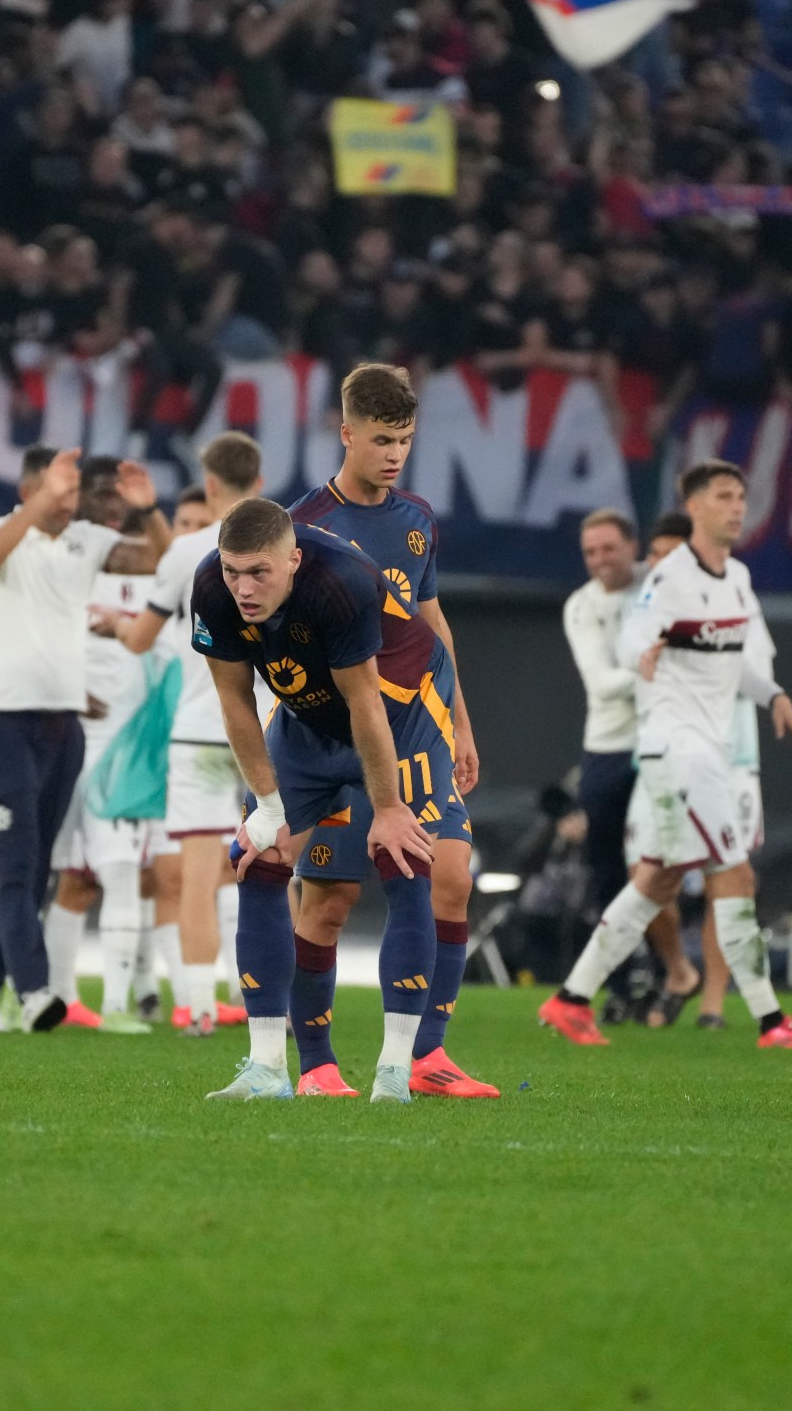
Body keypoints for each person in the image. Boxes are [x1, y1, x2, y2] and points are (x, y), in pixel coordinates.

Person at [538, 461, 792, 1052]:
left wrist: (774, 696)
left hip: (710, 748)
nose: (737, 506)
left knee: (655, 881)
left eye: (741, 496)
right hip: (677, 751)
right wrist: (647, 648)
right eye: (724, 496)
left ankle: (571, 999)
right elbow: (631, 638)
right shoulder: (668, 576)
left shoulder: (738, 579)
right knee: (735, 872)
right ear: (694, 507)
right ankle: (772, 1021)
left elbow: (733, 653)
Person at [194, 503, 464, 1104]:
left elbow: (365, 703)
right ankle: (266, 1070)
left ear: (293, 559)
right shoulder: (212, 584)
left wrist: (389, 807)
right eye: (233, 570)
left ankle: (395, 1072)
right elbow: (234, 698)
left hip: (402, 708)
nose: (243, 587)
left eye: (259, 573)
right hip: (305, 721)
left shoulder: (338, 582)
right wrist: (267, 806)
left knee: (404, 860)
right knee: (259, 861)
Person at [282, 364, 495, 1099]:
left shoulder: (417, 519)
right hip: (337, 733)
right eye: (380, 439)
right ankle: (315, 1065)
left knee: (451, 875)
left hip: (420, 724)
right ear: (345, 435)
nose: (394, 453)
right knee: (331, 901)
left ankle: (427, 1057)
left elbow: (432, 620)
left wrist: (461, 720)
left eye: (404, 439)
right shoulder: (304, 528)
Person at [0, 445, 169, 1033]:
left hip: (61, 726)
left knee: (35, 871)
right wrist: (38, 504)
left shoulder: (86, 542)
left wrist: (149, 512)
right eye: (59, 492)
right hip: (3, 721)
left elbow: (164, 565)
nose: (69, 504)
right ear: (30, 490)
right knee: (19, 870)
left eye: (73, 495)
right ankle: (34, 993)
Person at [120, 438, 264, 1035]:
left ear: (208, 486)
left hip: (203, 732)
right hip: (268, 733)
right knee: (274, 871)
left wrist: (118, 624)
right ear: (258, 480)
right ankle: (276, 1007)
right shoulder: (288, 543)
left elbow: (137, 639)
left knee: (200, 877)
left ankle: (201, 1007)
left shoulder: (185, 552)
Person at [563, 509, 641, 942]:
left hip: (666, 744)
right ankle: (618, 974)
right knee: (606, 867)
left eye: (609, 548)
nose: (600, 559)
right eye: (590, 552)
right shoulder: (581, 605)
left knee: (670, 866)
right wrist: (662, 671)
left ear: (634, 546)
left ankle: (676, 965)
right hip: (609, 749)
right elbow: (603, 684)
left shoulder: (661, 585)